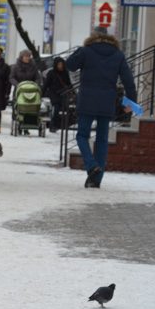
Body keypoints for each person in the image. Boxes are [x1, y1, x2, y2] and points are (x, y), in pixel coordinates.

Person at [66, 27, 136, 188]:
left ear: (93, 36)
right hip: (107, 102)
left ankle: (91, 166)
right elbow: (128, 80)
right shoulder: (118, 54)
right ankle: (96, 180)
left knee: (82, 136)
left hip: (87, 101)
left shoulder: (86, 51)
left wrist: (80, 50)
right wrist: (131, 103)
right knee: (102, 140)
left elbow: (70, 65)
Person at [42, 56, 72, 133]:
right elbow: (46, 84)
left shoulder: (65, 72)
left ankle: (60, 124)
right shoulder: (51, 73)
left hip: (63, 93)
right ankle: (53, 125)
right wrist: (42, 93)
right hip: (54, 93)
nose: (60, 66)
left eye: (61, 64)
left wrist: (72, 92)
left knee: (64, 109)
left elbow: (69, 84)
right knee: (56, 108)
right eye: (59, 64)